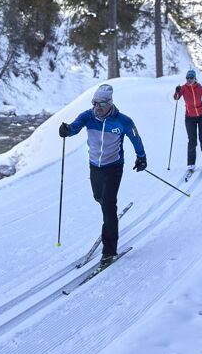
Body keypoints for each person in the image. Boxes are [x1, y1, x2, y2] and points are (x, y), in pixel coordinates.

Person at [58, 84, 147, 265]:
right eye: (94, 103)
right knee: (98, 197)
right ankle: (109, 219)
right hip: (95, 167)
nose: (96, 107)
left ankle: (109, 250)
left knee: (108, 204)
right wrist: (67, 130)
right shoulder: (88, 116)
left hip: (114, 167)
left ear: (110, 104)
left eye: (101, 104)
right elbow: (74, 127)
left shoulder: (123, 121)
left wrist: (141, 157)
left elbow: (135, 138)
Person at [173, 69, 202, 174]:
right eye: (187, 78)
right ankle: (191, 164)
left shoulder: (200, 88)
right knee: (192, 141)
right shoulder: (183, 88)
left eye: (191, 78)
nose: (189, 80)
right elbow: (176, 98)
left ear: (195, 78)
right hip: (190, 118)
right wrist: (176, 92)